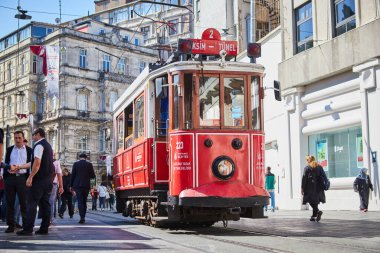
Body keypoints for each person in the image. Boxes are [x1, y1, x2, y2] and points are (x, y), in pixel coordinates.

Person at [16, 128, 55, 236]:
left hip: (38, 181)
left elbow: (37, 163)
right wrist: (20, 166)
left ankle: (28, 229)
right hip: (48, 181)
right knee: (45, 204)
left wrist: (30, 177)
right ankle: (44, 228)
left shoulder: (38, 145)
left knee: (31, 204)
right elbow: (33, 162)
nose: (32, 137)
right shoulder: (48, 146)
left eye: (33, 134)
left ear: (38, 134)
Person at [3, 131, 33, 233]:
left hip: (23, 178)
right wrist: (6, 174)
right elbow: (4, 162)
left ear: (23, 138)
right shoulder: (9, 149)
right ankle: (11, 225)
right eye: (16, 138)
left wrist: (30, 178)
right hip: (10, 179)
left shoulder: (29, 150)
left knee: (24, 203)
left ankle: (25, 226)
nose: (17, 140)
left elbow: (32, 164)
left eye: (19, 138)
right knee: (9, 203)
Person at [70, 153, 95, 224]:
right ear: (86, 158)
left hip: (77, 185)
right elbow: (93, 176)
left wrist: (71, 186)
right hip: (86, 185)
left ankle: (82, 217)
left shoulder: (75, 164)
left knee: (80, 201)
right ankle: (83, 216)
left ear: (79, 157)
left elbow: (73, 176)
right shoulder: (89, 164)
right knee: (84, 201)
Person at [301, 155, 326, 222]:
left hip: (309, 188)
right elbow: (324, 176)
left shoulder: (307, 168)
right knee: (315, 201)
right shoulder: (319, 167)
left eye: (307, 160)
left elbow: (304, 179)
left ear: (309, 160)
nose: (306, 161)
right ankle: (313, 216)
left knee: (310, 200)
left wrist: (302, 188)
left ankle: (317, 212)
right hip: (319, 187)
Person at [49, 159, 63, 225]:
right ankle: (50, 219)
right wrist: (61, 186)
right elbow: (59, 175)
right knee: (51, 202)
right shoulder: (56, 162)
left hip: (43, 183)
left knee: (44, 201)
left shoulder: (42, 159)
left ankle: (46, 218)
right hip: (53, 184)